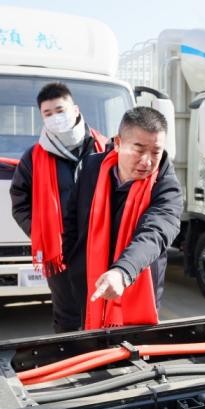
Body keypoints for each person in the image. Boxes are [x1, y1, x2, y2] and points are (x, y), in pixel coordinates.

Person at [63, 107, 183, 329]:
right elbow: (72, 219)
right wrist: (72, 262)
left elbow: (154, 233)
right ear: (118, 143)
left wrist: (122, 272)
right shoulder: (92, 168)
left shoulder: (166, 187)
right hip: (88, 284)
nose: (147, 162)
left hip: (135, 287)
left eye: (156, 152)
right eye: (139, 150)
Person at [10, 82, 107, 332]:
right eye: (47, 113)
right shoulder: (33, 156)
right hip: (60, 252)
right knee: (68, 317)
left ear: (75, 109)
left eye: (59, 110)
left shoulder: (104, 148)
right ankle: (71, 367)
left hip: (99, 248)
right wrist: (41, 234)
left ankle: (103, 364)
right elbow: (20, 201)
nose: (55, 118)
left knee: (103, 310)